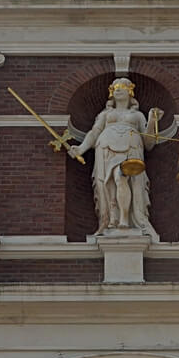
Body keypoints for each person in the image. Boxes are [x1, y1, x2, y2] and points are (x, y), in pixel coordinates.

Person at [69, 78, 162, 238]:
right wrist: (81, 148)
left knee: (121, 179)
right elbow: (94, 132)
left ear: (130, 92)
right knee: (108, 184)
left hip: (131, 149)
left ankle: (125, 219)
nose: (118, 90)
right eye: (115, 88)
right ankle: (111, 219)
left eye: (122, 87)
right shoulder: (105, 114)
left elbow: (149, 143)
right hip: (106, 148)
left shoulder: (138, 115)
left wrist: (153, 121)